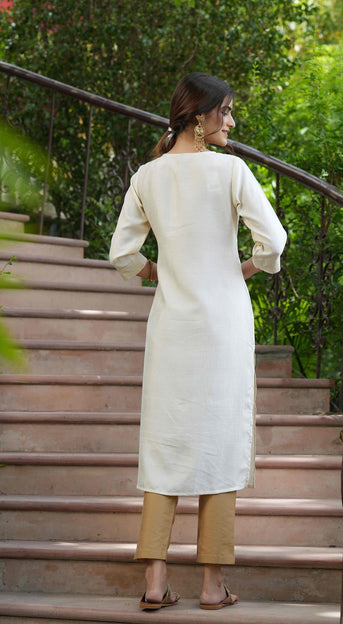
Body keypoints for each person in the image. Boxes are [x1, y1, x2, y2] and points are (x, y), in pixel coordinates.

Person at [109, 72, 287, 611]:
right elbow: (273, 241)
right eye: (225, 111)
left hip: (172, 327)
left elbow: (122, 254)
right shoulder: (231, 171)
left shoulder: (148, 176)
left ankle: (155, 583)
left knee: (164, 443)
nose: (231, 121)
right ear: (199, 117)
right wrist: (245, 269)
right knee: (220, 441)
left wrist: (156, 272)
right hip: (223, 325)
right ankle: (212, 586)